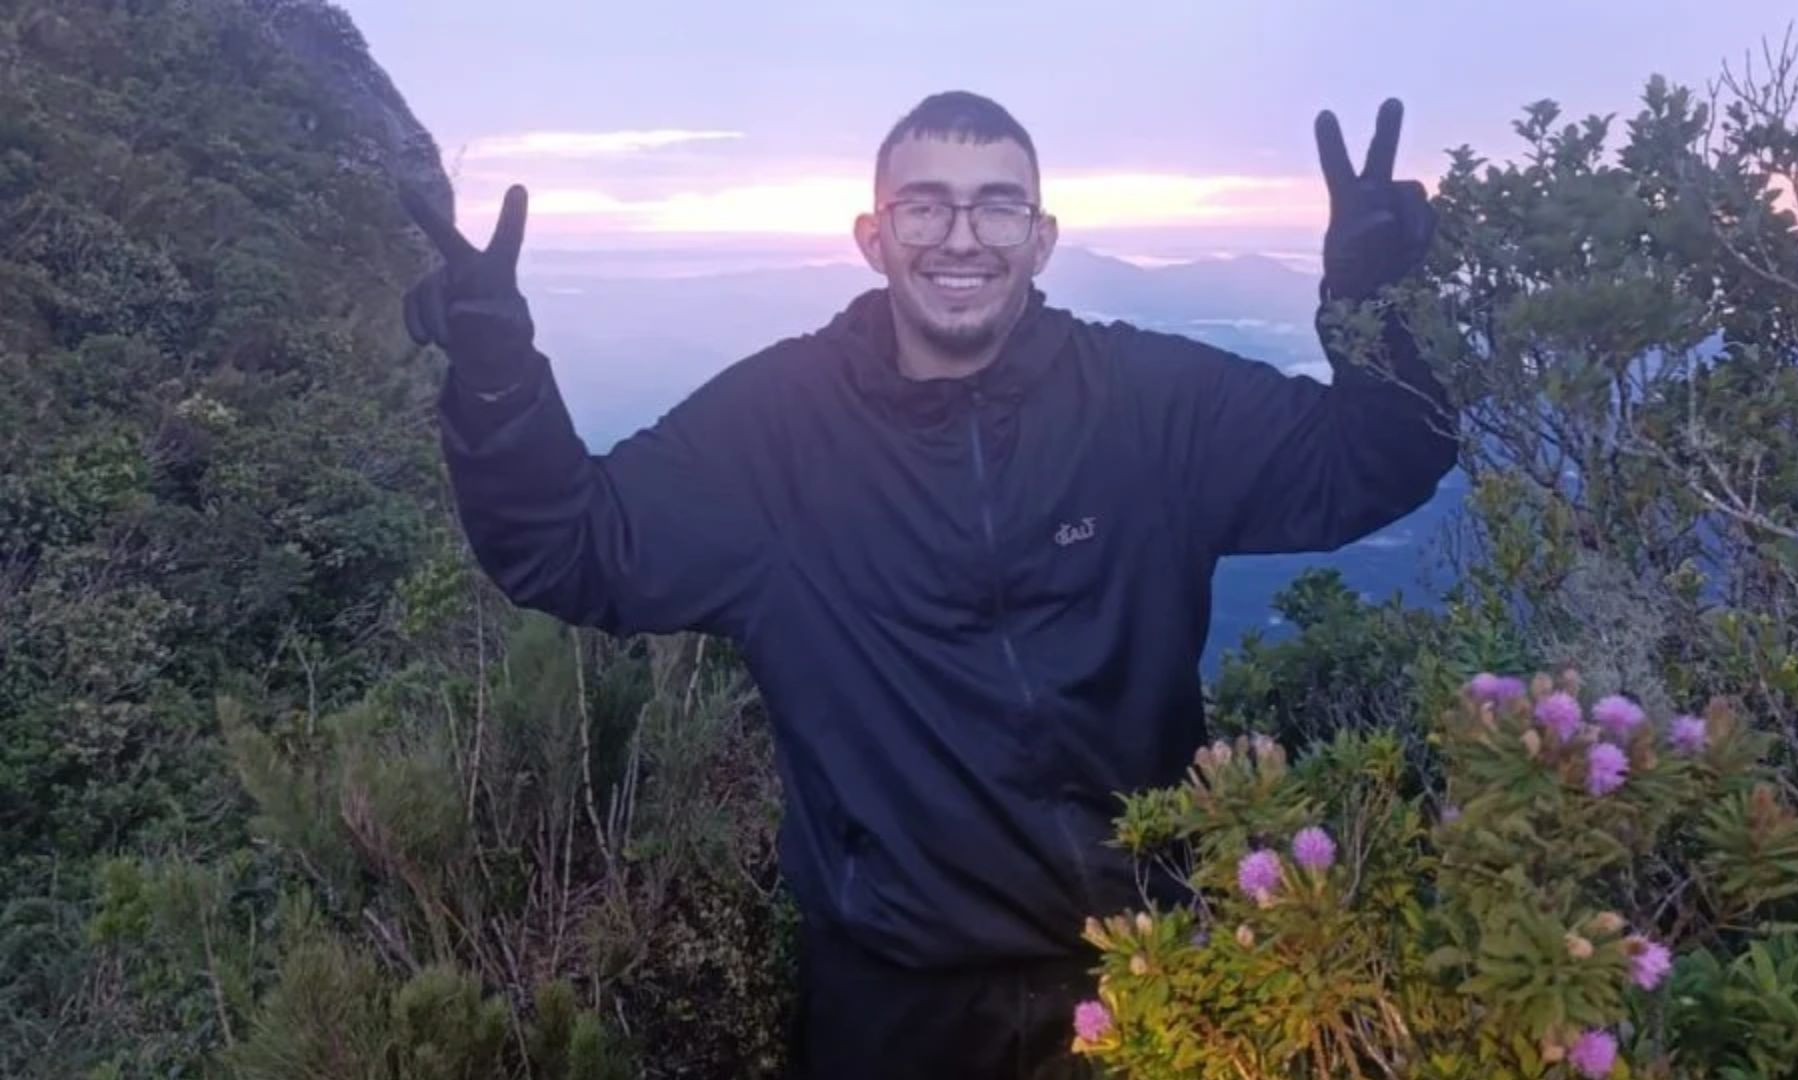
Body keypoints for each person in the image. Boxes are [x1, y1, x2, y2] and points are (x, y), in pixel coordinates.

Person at [399, 89, 1455, 1080]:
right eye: (926, 208)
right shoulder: (778, 430)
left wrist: (1376, 308)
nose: (962, 238)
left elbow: (1370, 462)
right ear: (874, 237)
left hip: (1147, 966)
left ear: (1040, 238)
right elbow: (573, 546)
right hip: (895, 1005)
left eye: (998, 207)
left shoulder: (1148, 404)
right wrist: (498, 380)